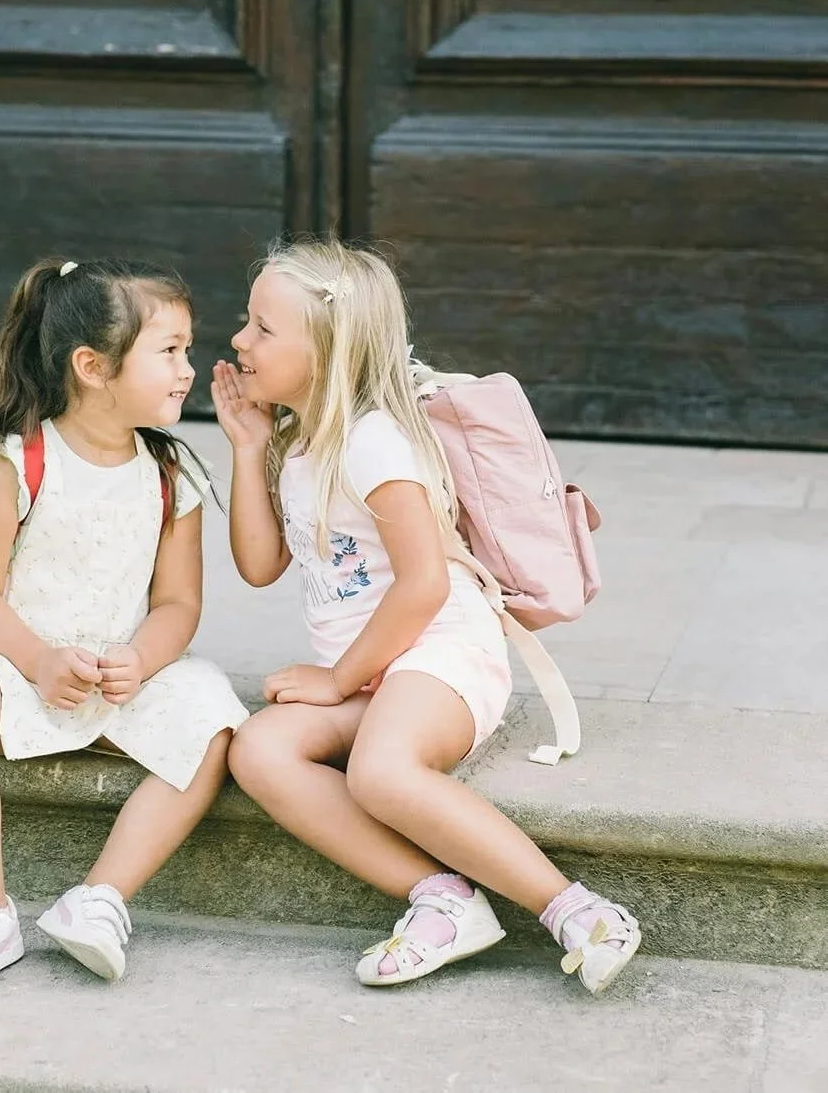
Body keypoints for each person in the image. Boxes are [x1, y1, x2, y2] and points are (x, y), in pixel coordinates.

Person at [213, 238, 640, 995]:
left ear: (329, 350)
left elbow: (423, 587)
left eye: (262, 328)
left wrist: (337, 677)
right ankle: (444, 899)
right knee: (259, 749)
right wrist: (248, 449)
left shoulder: (374, 443)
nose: (240, 341)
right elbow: (258, 565)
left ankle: (577, 910)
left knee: (380, 771)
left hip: (439, 653)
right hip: (379, 671)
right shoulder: (296, 442)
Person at [0, 256, 246, 990]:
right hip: (18, 663)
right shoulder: (19, 459)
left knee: (216, 720)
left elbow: (179, 605)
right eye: (169, 351)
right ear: (93, 366)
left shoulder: (172, 473)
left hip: (120, 674)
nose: (188, 369)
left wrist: (143, 657)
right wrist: (35, 660)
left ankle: (99, 898)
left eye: (186, 349)